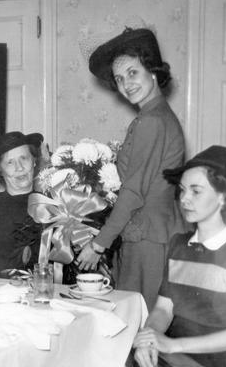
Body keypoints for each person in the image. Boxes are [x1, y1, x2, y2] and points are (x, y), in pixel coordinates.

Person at [77, 27, 186, 308]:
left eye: (132, 72)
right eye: (119, 78)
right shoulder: (153, 115)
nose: (126, 84)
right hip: (148, 232)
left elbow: (134, 191)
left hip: (148, 237)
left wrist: (98, 244)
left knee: (138, 322)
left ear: (152, 70)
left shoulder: (152, 121)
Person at [133, 145, 226, 367]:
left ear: (222, 196)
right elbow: (164, 309)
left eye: (196, 191)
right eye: (182, 190)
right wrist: (149, 339)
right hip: (173, 356)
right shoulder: (179, 245)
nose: (184, 199)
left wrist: (175, 345)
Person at [0, 131, 44, 277]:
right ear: (1, 169)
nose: (19, 167)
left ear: (34, 161)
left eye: (24, 158)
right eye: (10, 162)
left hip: (40, 286)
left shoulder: (50, 205)